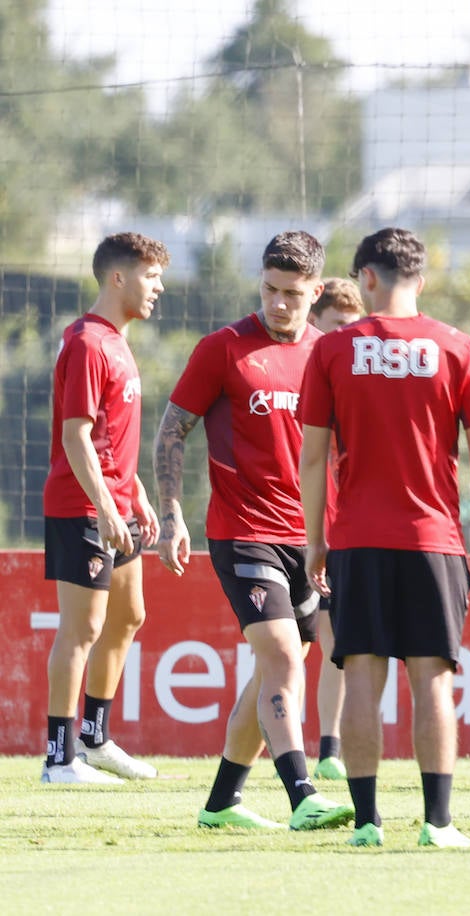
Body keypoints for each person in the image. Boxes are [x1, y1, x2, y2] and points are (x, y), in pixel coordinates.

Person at [300, 228, 470, 849]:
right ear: (420, 280)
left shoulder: (333, 351)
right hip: (434, 540)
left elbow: (312, 459)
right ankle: (437, 824)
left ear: (366, 279)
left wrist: (316, 541)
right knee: (433, 679)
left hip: (357, 538)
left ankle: (367, 823)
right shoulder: (458, 347)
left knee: (361, 674)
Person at [155, 232, 354, 832]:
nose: (279, 303)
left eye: (293, 294)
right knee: (282, 657)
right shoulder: (222, 348)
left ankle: (221, 802)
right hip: (242, 533)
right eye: (269, 289)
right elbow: (170, 431)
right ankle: (302, 796)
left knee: (271, 674)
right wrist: (169, 515)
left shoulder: (330, 354)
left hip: (311, 540)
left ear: (315, 292)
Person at [41, 232, 168, 785]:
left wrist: (135, 493)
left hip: (115, 503)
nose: (159, 288)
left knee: (129, 615)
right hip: (82, 507)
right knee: (82, 628)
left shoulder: (117, 341)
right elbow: (76, 438)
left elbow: (111, 439)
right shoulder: (89, 343)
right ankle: (57, 758)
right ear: (119, 277)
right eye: (152, 276)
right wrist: (105, 508)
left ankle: (95, 739)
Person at [304, 277, 367, 781]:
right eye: (337, 326)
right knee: (300, 643)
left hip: (346, 528)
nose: (348, 334)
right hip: (297, 527)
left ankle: (330, 749)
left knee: (337, 641)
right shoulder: (304, 368)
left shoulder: (360, 376)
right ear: (314, 324)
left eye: (354, 325)